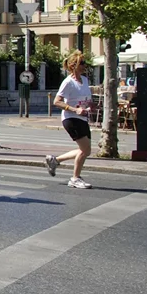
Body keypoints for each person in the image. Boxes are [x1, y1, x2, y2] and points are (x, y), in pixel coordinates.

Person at [43, 50, 94, 189]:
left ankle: (55, 160)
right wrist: (75, 109)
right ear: (73, 65)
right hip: (71, 118)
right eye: (81, 63)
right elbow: (57, 101)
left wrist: (90, 106)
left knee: (86, 150)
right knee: (85, 150)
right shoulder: (68, 82)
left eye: (85, 63)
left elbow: (84, 99)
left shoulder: (85, 80)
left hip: (82, 118)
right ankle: (75, 178)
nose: (84, 66)